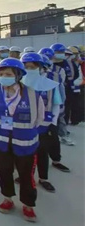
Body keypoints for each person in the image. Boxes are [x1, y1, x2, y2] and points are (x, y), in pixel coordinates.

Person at [0, 58, 43, 222]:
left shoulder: (32, 94)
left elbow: (39, 118)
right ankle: (7, 198)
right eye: (1, 74)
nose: (4, 77)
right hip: (0, 142)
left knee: (26, 175)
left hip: (25, 143)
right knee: (4, 171)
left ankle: (28, 205)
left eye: (8, 74)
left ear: (18, 76)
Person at [20, 53, 66, 192]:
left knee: (42, 152)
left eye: (32, 67)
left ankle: (43, 178)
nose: (29, 69)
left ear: (40, 67)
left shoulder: (49, 84)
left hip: (44, 125)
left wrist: (53, 123)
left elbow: (56, 104)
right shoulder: (19, 83)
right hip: (24, 125)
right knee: (25, 154)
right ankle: (25, 176)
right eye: (26, 67)